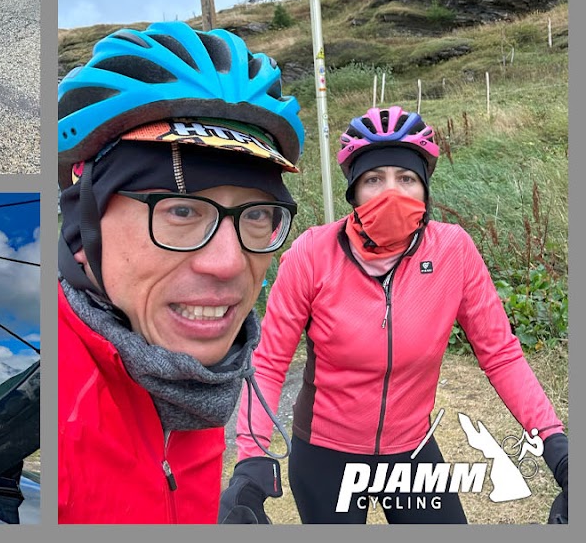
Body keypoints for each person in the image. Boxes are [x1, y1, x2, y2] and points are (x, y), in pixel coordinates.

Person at [225, 106, 569, 525]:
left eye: (406, 178)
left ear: (425, 189)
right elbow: (268, 362)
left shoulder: (453, 252)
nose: (392, 193)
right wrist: (251, 464)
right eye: (373, 179)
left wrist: (556, 447)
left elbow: (501, 355)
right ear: (353, 192)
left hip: (412, 448)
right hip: (325, 452)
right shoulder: (312, 255)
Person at [58, 22, 304, 523]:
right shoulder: (48, 405)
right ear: (85, 228)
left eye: (257, 216)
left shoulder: (188, 376)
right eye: (180, 211)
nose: (229, 264)